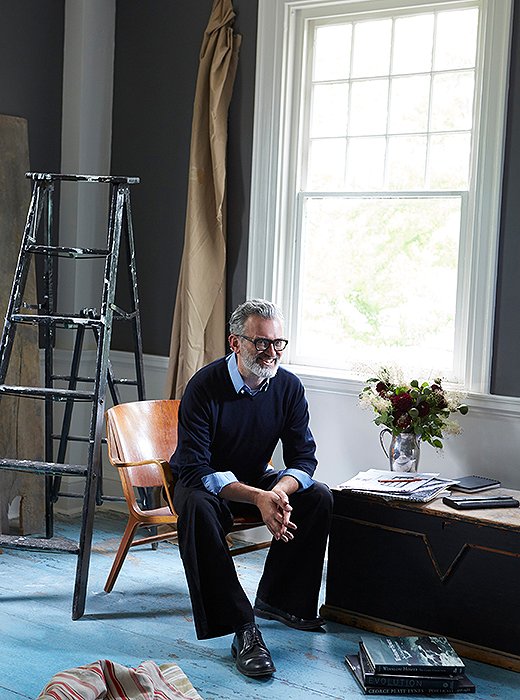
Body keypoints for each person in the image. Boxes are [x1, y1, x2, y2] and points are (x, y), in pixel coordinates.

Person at [169, 299, 333, 678]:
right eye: (260, 343)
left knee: (319, 496)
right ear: (235, 342)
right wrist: (259, 497)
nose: (271, 352)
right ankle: (242, 627)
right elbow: (196, 468)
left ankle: (283, 602)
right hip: (201, 483)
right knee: (197, 509)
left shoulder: (288, 387)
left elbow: (303, 459)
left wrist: (278, 493)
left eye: (278, 343)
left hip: (258, 477)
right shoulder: (204, 386)